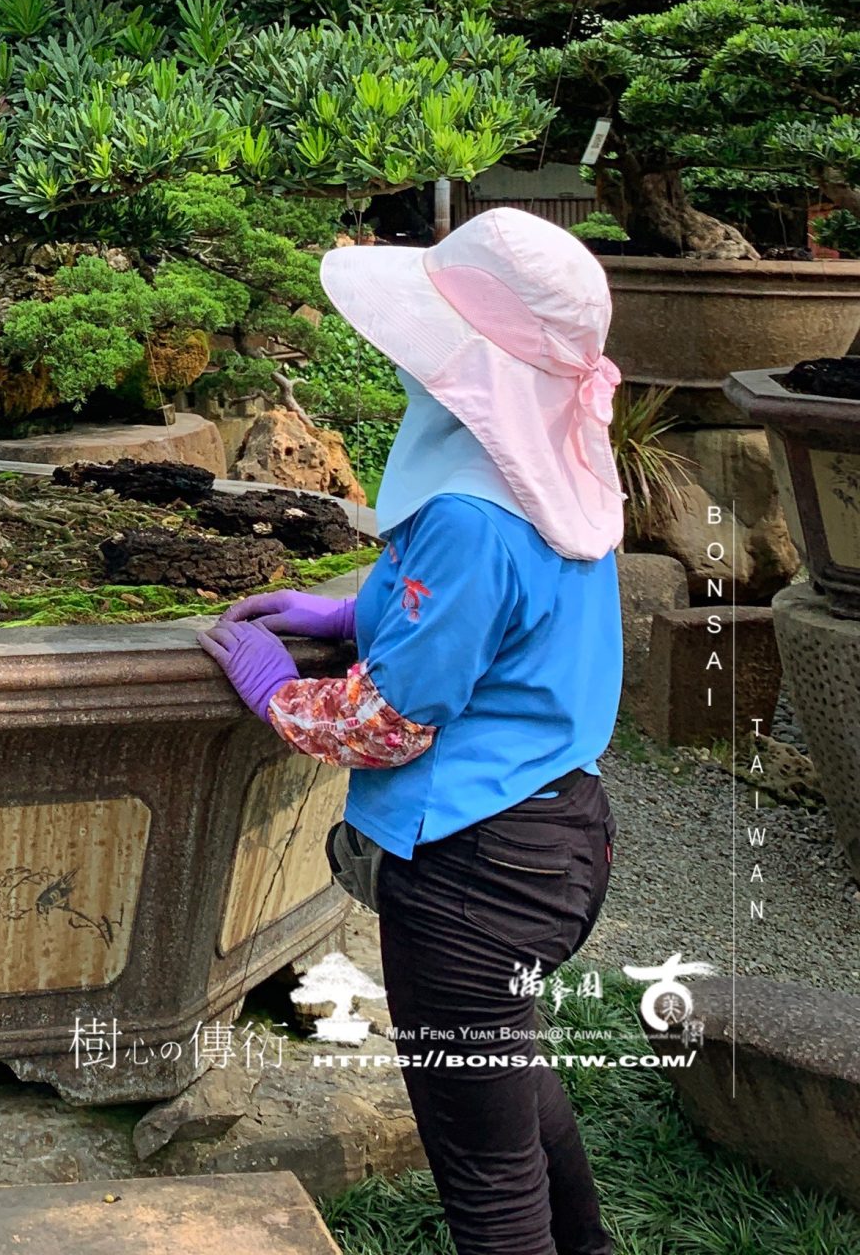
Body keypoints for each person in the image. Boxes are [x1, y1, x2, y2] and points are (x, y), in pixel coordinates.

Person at [202, 206, 625, 1255]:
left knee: (482, 1170)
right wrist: (353, 615)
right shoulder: (555, 466)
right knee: (507, 1075)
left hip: (477, 870)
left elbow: (389, 724)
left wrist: (272, 690)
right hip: (560, 832)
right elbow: (509, 628)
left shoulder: (473, 514)